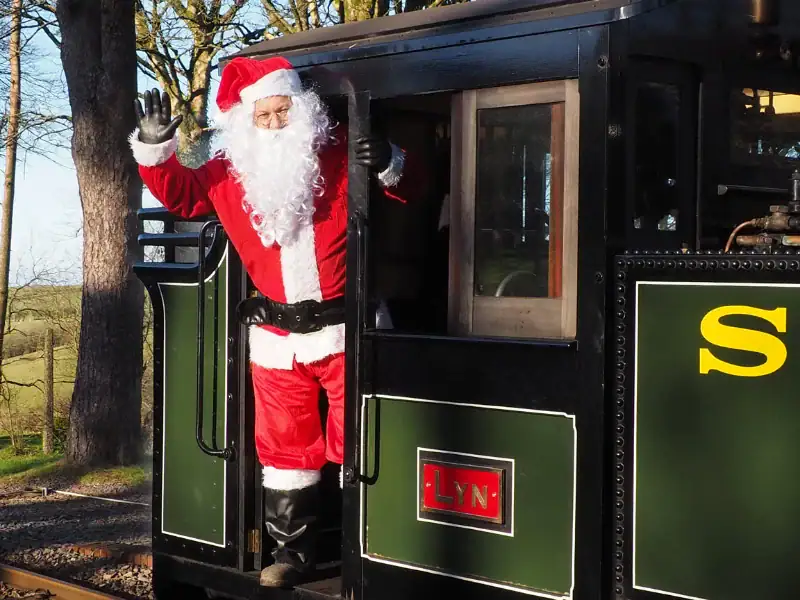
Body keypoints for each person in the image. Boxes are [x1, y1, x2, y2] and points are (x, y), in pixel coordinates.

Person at [129, 56, 407, 588]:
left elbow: (408, 191)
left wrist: (392, 160)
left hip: (345, 327)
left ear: (301, 110)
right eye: (266, 116)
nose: (277, 124)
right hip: (276, 336)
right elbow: (182, 196)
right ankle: (294, 558)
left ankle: (367, 552)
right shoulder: (228, 174)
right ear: (246, 122)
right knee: (284, 448)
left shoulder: (341, 150)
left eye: (284, 112)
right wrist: (156, 152)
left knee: (358, 439)